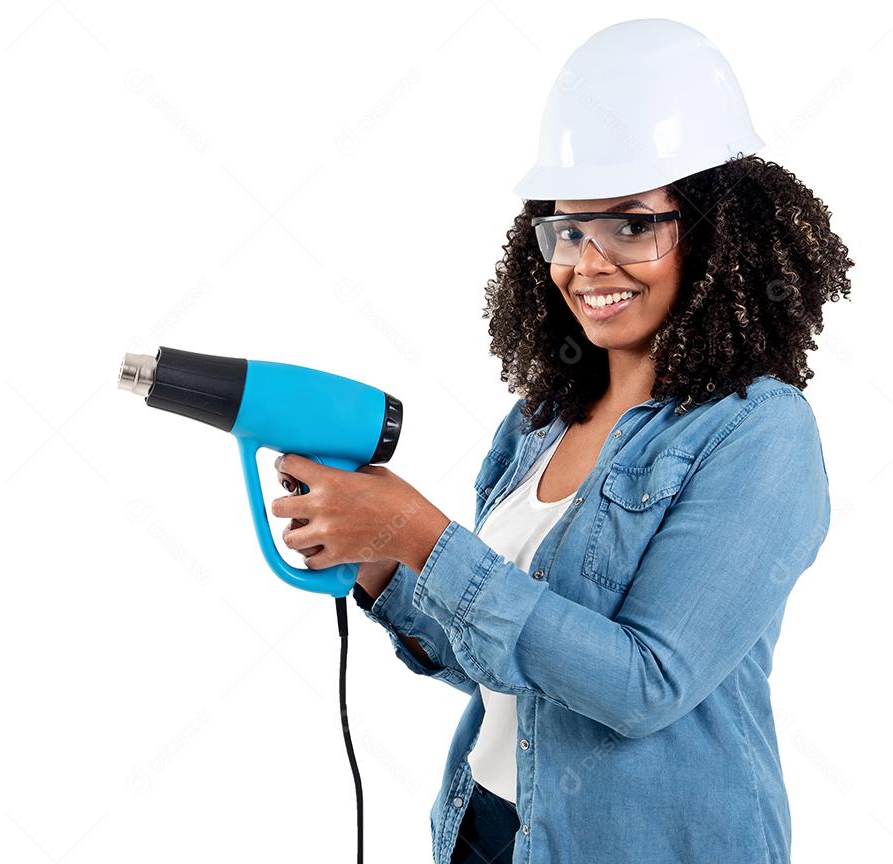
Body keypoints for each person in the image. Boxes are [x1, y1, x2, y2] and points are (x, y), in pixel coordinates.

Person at [273, 17, 853, 864]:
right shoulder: (538, 422)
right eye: (568, 227)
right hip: (487, 832)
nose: (588, 262)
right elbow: (506, 665)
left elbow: (644, 685)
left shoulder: (760, 431)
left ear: (718, 231)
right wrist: (380, 562)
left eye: (631, 225)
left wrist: (421, 536)